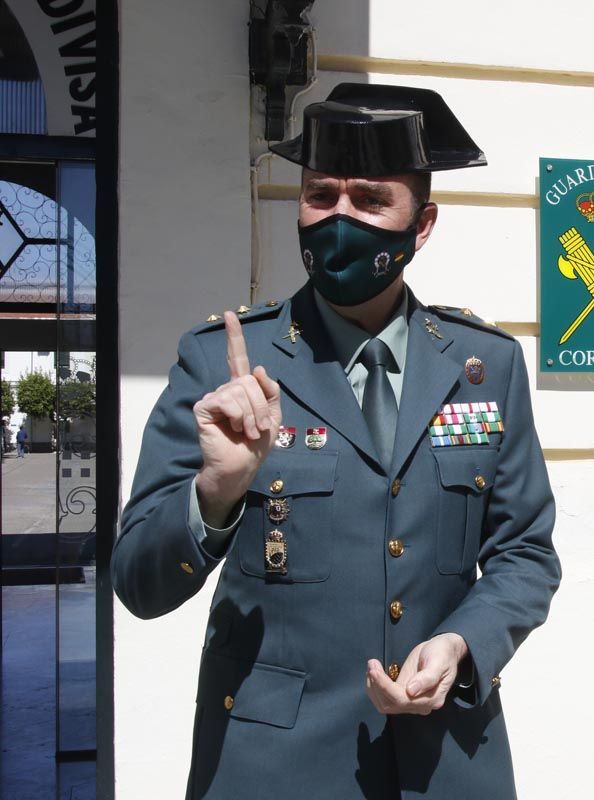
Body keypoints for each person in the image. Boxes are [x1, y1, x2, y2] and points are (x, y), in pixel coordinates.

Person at [113, 84, 561, 799]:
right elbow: (137, 581)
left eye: (370, 199)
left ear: (422, 225)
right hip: (274, 767)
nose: (339, 219)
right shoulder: (220, 363)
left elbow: (525, 552)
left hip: (447, 761)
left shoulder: (487, 366)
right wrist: (216, 493)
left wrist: (462, 643)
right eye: (321, 195)